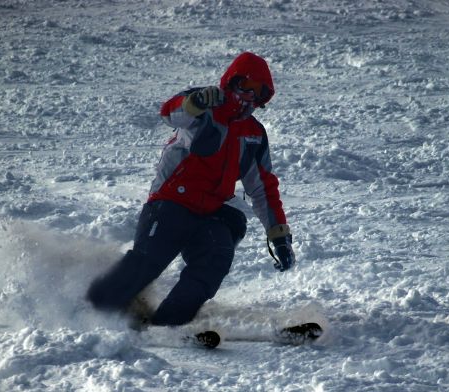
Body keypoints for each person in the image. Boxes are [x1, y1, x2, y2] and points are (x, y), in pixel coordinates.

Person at [86, 51, 294, 327]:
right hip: (172, 202)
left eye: (259, 92)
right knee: (149, 261)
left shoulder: (253, 134)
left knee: (215, 259)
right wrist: (195, 102)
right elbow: (170, 112)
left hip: (212, 212)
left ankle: (169, 323)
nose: (249, 97)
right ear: (232, 82)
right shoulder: (206, 107)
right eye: (246, 86)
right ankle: (94, 307)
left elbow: (263, 188)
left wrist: (278, 235)